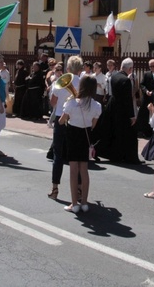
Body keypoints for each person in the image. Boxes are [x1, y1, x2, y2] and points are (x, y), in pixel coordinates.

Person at [58, 75, 101, 213]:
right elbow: (94, 125)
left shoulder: (71, 103)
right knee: (84, 170)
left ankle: (74, 204)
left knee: (73, 170)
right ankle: (84, 203)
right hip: (85, 135)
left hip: (72, 135)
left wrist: (70, 105)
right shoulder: (97, 105)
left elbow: (60, 121)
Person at [47, 55, 82, 200]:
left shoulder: (58, 82)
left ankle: (55, 189)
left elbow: (53, 102)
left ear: (68, 68)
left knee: (58, 155)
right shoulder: (83, 81)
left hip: (61, 120)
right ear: (79, 69)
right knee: (77, 157)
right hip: (76, 121)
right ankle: (79, 190)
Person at [96, 58, 139, 164]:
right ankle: (128, 156)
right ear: (130, 68)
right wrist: (132, 115)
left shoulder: (114, 76)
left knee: (111, 131)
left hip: (112, 106)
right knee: (128, 135)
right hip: (122, 110)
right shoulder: (126, 80)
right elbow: (128, 99)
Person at [137, 59, 154, 138]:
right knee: (143, 114)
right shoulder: (146, 74)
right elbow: (142, 84)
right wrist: (146, 91)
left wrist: (152, 92)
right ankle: (143, 131)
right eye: (150, 66)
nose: (152, 68)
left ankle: (152, 132)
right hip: (146, 97)